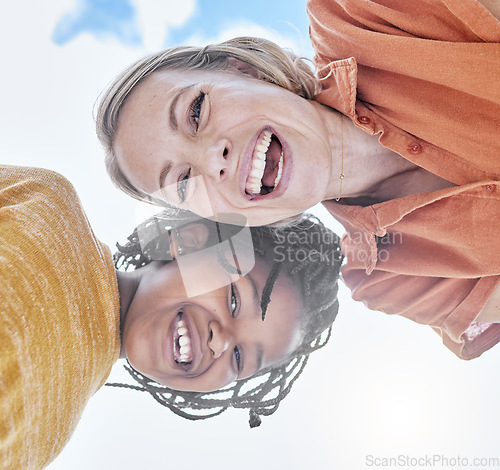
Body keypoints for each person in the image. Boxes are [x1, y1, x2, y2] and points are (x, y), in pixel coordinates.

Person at [95, 0, 500, 360]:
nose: (211, 159)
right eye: (184, 182)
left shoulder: (355, 14)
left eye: (196, 111)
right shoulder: (385, 277)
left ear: (244, 69)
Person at [0, 165, 343, 469]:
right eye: (235, 301)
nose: (221, 341)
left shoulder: (50, 430)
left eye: (239, 358)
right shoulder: (45, 202)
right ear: (193, 241)